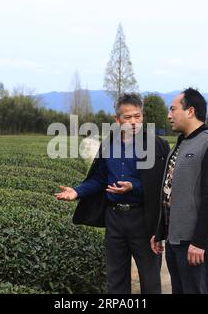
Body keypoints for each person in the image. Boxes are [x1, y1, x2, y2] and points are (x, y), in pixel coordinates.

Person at [55, 93, 170, 294]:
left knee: (150, 281)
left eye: (138, 116)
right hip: (115, 219)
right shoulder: (109, 144)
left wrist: (133, 186)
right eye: (128, 117)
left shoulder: (156, 145)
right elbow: (99, 179)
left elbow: (160, 185)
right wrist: (77, 192)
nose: (134, 122)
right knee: (116, 281)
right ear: (117, 120)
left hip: (143, 220)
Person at [150, 88, 208, 294]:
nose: (169, 115)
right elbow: (169, 191)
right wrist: (160, 231)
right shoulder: (181, 143)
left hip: (193, 243)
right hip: (175, 239)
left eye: (173, 109)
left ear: (190, 111)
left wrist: (199, 241)